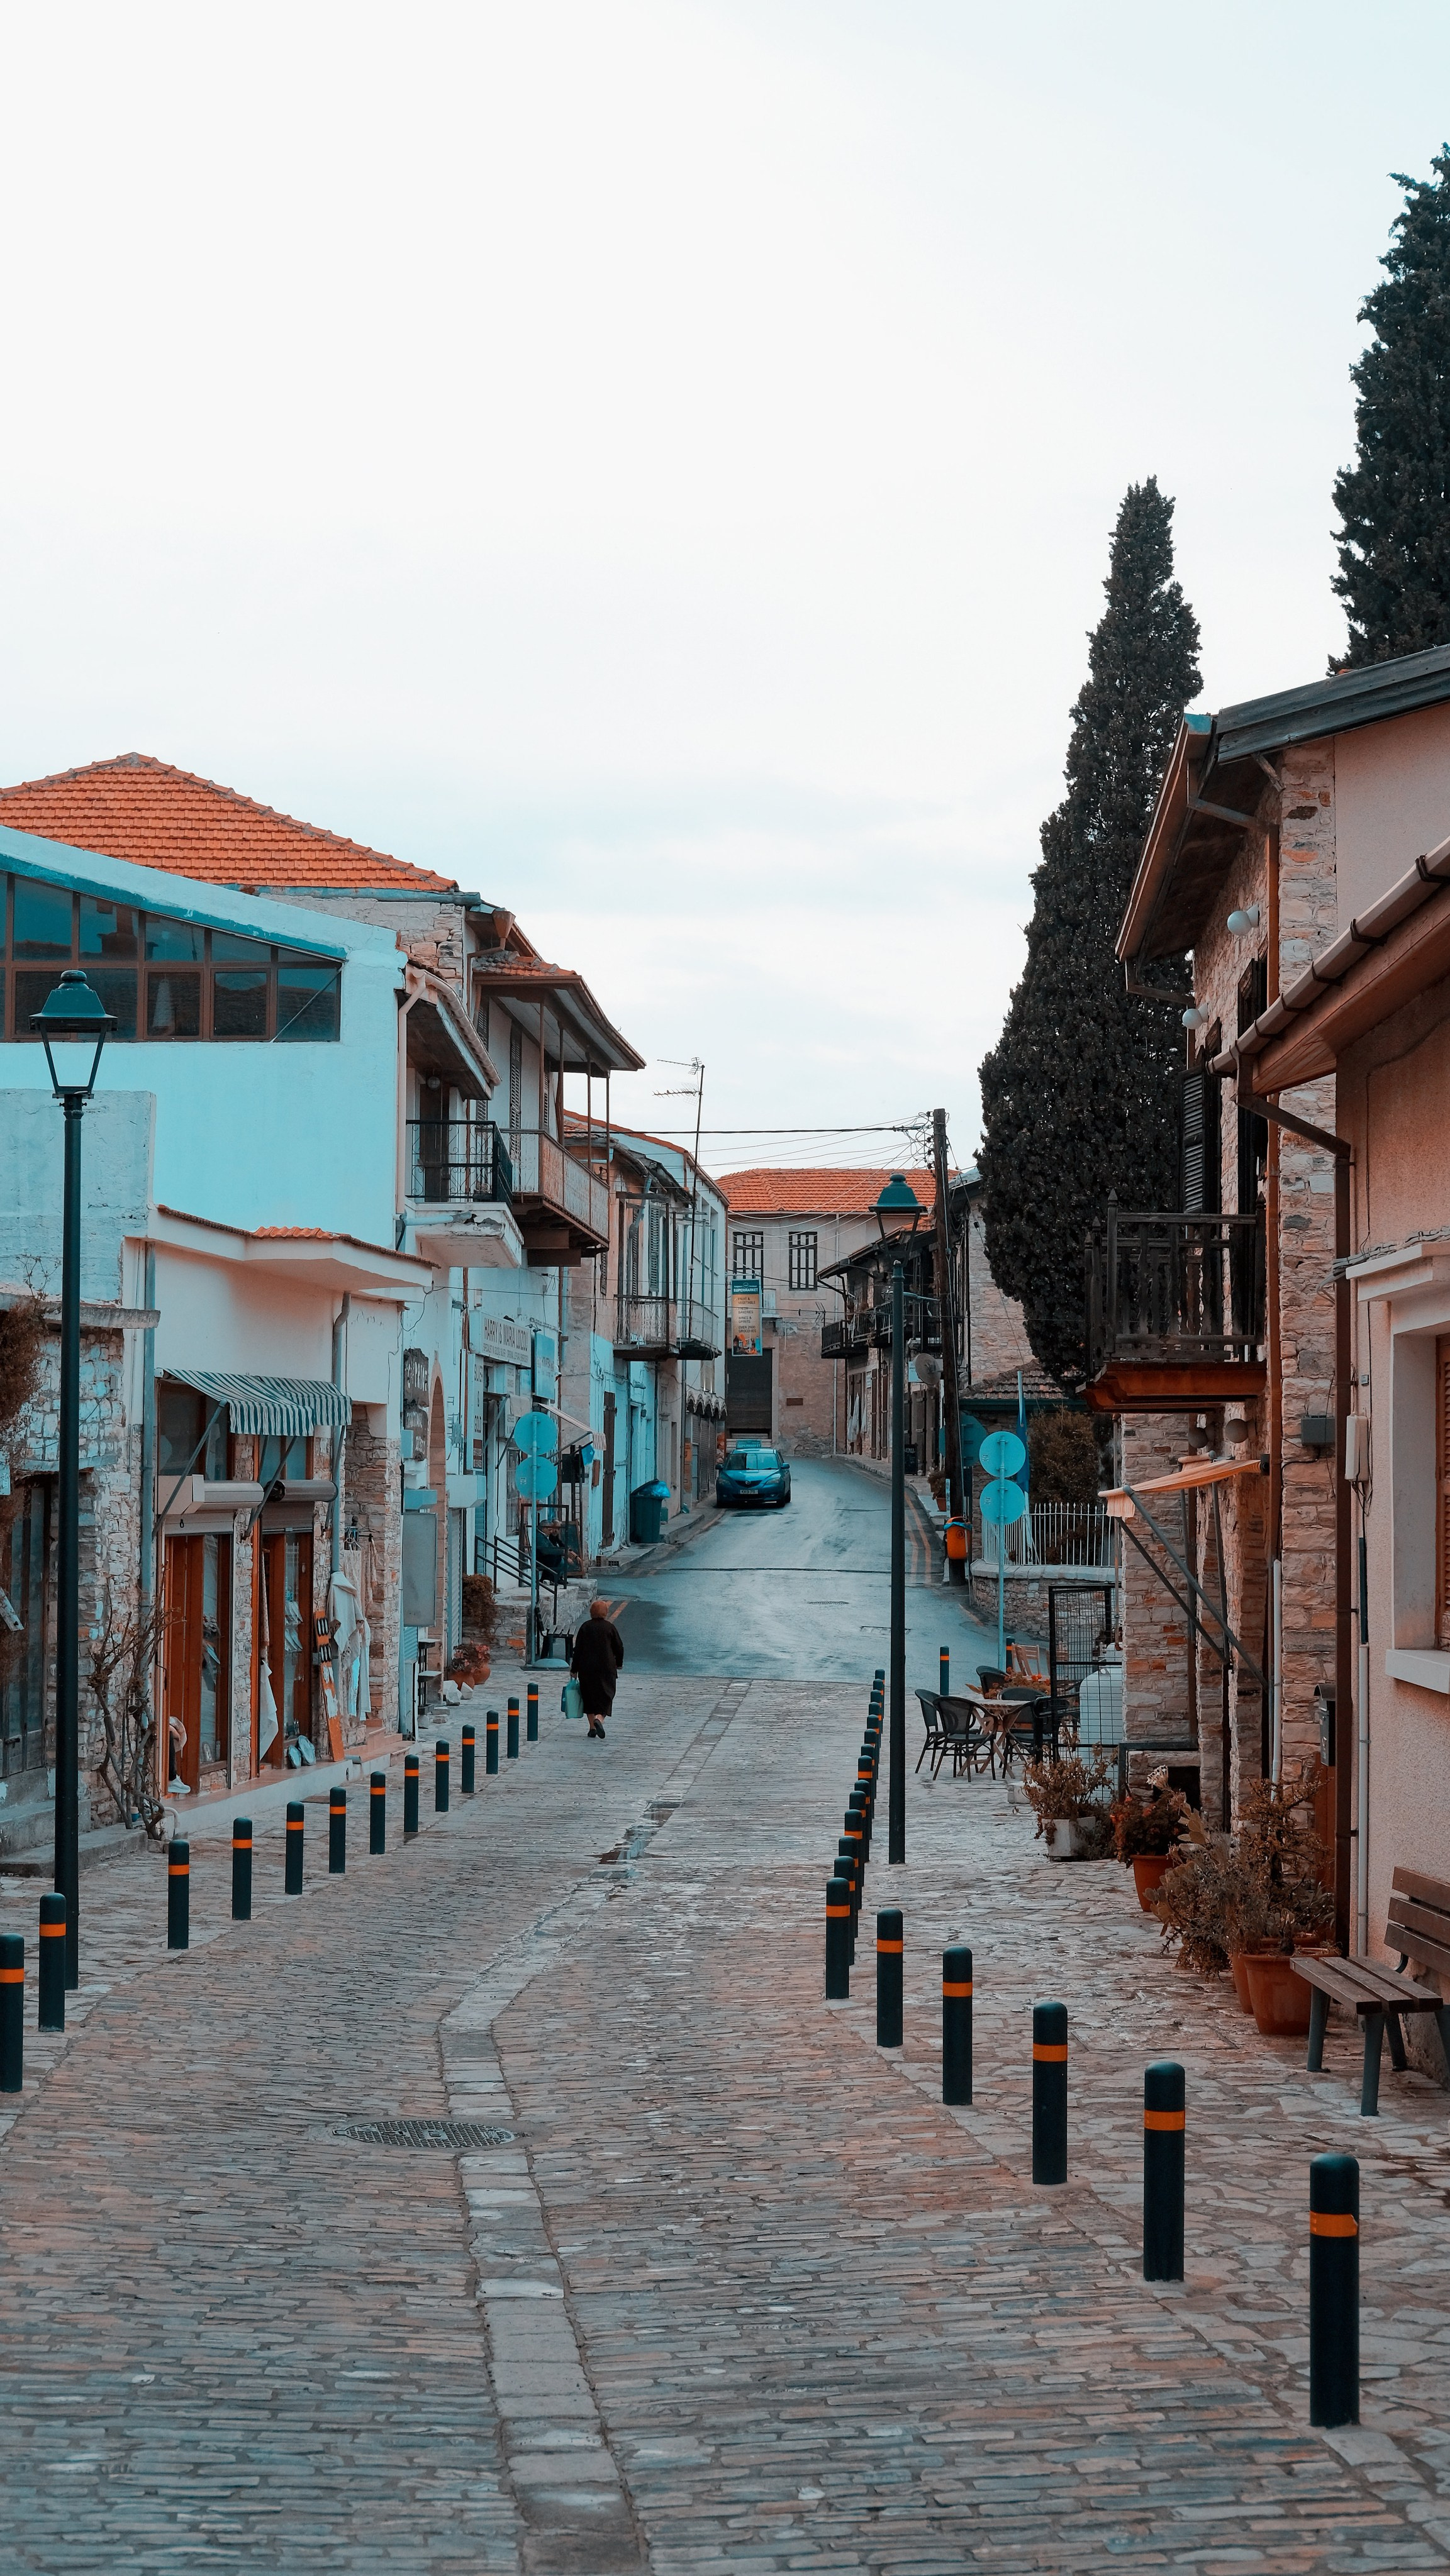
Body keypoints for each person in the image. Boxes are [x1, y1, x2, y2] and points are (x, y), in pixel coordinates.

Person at [571, 1597, 624, 1740]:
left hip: (586, 1668)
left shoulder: (585, 1627)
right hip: (606, 1668)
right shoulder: (610, 1627)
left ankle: (592, 1728)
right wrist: (619, 1663)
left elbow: (578, 1650)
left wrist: (574, 1669)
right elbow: (619, 1647)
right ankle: (599, 1719)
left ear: (591, 1612)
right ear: (606, 1612)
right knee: (607, 1695)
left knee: (589, 1696)